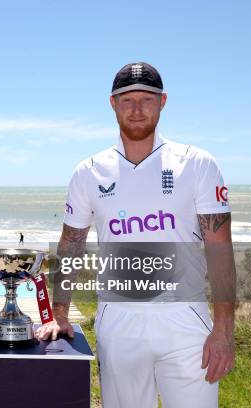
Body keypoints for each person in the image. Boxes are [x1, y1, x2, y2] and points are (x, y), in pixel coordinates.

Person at [36, 62, 236, 407]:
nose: (138, 109)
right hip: (119, 320)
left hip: (186, 321)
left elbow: (220, 249)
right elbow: (71, 244)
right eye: (127, 100)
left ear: (163, 102)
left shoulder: (197, 163)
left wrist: (223, 330)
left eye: (147, 98)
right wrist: (61, 313)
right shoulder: (89, 171)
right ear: (113, 104)